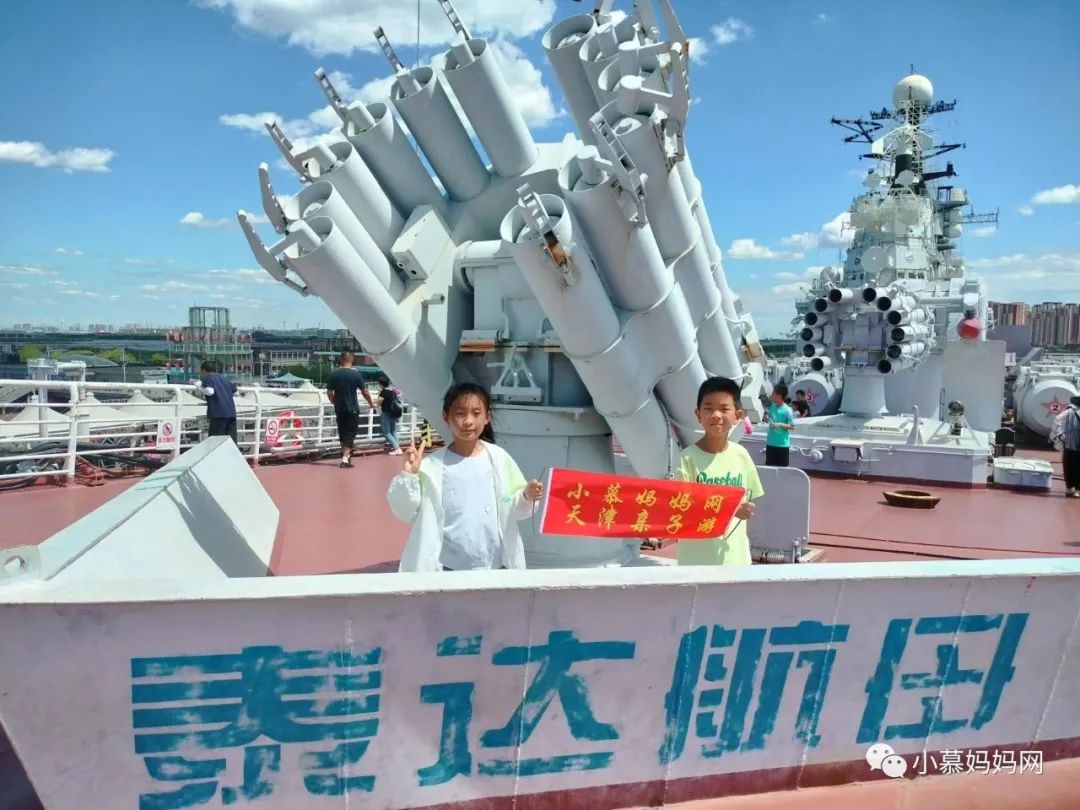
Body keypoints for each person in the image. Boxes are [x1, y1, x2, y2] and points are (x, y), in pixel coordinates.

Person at [388, 382, 545, 572]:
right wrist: (409, 476)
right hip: (447, 569)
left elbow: (510, 506)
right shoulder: (431, 467)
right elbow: (406, 511)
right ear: (446, 417)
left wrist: (526, 497)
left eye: (476, 413)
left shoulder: (498, 459)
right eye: (460, 413)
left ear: (487, 418)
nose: (469, 421)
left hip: (496, 566)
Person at [675, 376, 764, 566]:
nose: (716, 415)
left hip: (736, 560)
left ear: (737, 416)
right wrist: (730, 510)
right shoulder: (686, 459)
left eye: (724, 409)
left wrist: (746, 508)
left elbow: (749, 497)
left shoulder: (742, 455)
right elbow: (683, 509)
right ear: (698, 414)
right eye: (708, 408)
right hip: (696, 562)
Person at [326, 351, 375, 468]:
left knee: (342, 432)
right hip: (352, 407)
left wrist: (335, 402)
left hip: (339, 408)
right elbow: (365, 392)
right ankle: (345, 459)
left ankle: (346, 457)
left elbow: (329, 392)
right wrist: (371, 403)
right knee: (351, 433)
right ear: (352, 360)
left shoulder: (334, 374)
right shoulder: (356, 375)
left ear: (341, 360)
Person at [200, 360, 238, 444]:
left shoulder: (208, 378)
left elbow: (210, 391)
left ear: (204, 370)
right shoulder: (224, 378)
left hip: (218, 414)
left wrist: (199, 387)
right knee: (231, 442)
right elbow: (236, 392)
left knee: (215, 442)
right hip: (231, 413)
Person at [1050, 395, 1080, 498]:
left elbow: (1057, 419)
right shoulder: (1070, 411)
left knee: (1069, 467)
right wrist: (1060, 433)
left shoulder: (1069, 410)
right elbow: (1058, 419)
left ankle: (1071, 489)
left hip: (1070, 444)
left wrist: (1059, 433)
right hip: (1072, 444)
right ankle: (1075, 489)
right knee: (1073, 467)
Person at [763, 382, 796, 467]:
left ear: (779, 396)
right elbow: (768, 419)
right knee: (769, 468)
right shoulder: (772, 407)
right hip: (770, 443)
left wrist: (780, 424)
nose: (771, 395)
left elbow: (792, 426)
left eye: (773, 393)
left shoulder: (787, 410)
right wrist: (766, 418)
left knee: (782, 470)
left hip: (782, 445)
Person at [376, 375, 404, 456]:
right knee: (394, 432)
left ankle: (397, 449)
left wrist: (374, 402)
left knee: (387, 433)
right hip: (394, 414)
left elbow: (379, 402)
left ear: (381, 384)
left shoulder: (383, 392)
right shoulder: (393, 392)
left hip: (386, 414)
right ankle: (397, 448)